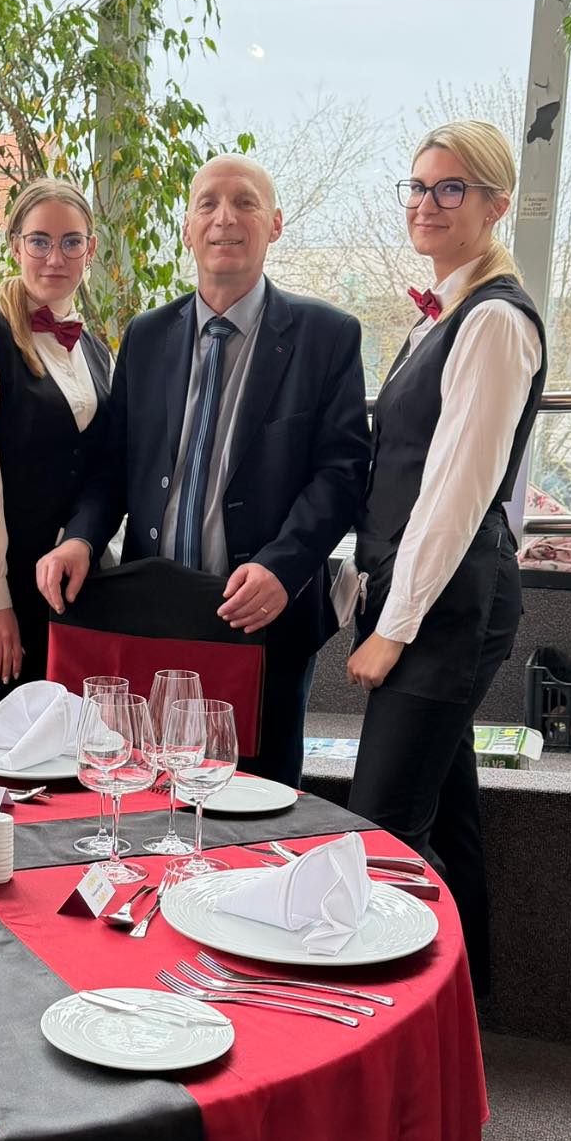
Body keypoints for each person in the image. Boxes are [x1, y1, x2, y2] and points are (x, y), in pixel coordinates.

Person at [35, 156, 370, 787]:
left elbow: (343, 471)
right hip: (152, 617)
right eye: (208, 204)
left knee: (257, 803)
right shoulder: (146, 335)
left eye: (245, 203)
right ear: (187, 228)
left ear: (275, 224)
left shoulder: (326, 335)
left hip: (258, 617)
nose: (225, 218)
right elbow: (112, 467)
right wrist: (80, 538)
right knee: (140, 791)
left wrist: (284, 567)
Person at [345, 120, 546, 996]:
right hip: (432, 593)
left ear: (495, 206)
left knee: (383, 827)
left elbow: (458, 493)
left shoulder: (494, 321)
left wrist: (392, 630)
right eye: (419, 186)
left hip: (449, 605)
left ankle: (401, 1023)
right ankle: (469, 1006)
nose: (427, 203)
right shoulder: (450, 311)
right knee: (448, 811)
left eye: (451, 188)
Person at [0, 178, 113, 727]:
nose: (54, 257)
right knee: (0, 753)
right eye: (39, 241)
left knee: (65, 753)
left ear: (90, 249)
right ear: (16, 246)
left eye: (70, 242)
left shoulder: (96, 351)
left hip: (66, 592)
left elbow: (101, 469)